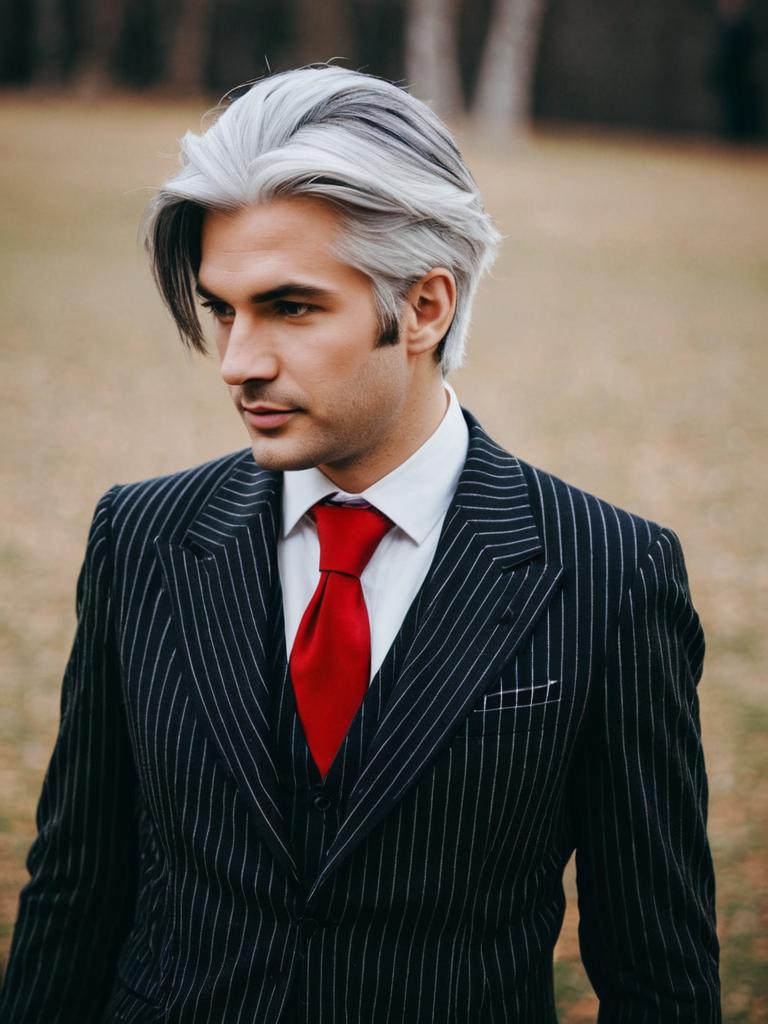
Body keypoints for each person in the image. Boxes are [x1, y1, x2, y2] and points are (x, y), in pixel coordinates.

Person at [0, 66, 720, 1023]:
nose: (237, 363)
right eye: (222, 309)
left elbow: (657, 971)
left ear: (424, 308)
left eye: (290, 308)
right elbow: (74, 898)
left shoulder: (608, 571)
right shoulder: (140, 538)